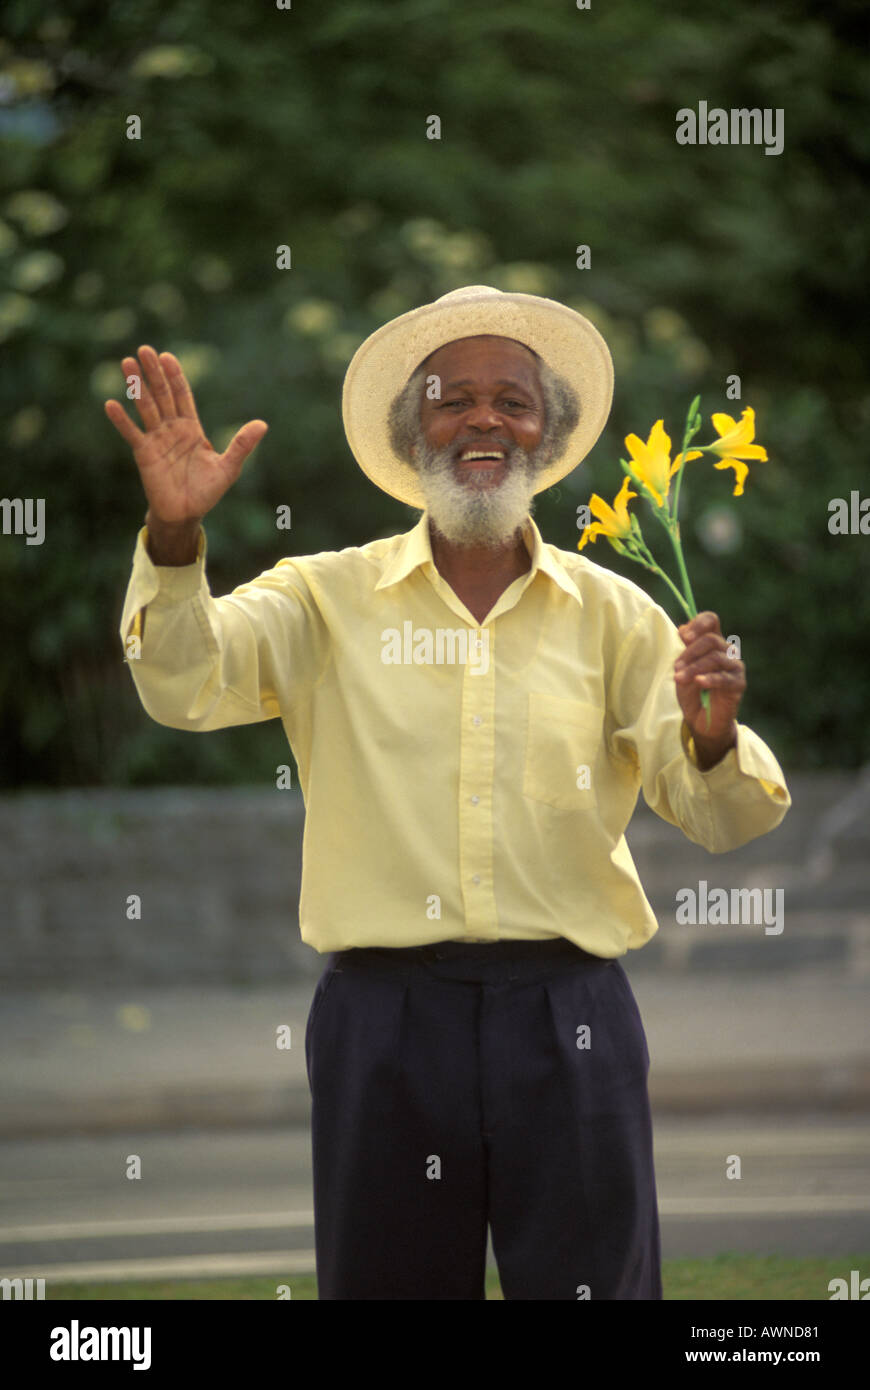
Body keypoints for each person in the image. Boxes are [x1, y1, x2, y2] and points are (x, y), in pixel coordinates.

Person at [107, 284, 791, 1300]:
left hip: (573, 1019)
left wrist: (712, 736)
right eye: (450, 397)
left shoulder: (616, 614)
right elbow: (185, 682)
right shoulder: (321, 596)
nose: (483, 418)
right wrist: (172, 540)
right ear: (411, 429)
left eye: (512, 400)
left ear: (546, 433)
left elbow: (725, 815)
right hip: (383, 1022)